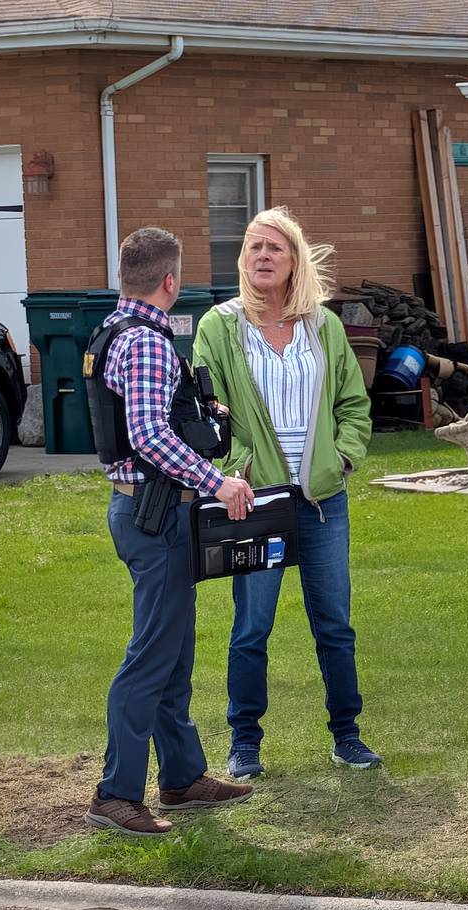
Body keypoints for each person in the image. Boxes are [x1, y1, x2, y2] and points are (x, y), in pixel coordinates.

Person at [83, 226, 256, 836]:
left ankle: (182, 777)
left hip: (142, 509)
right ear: (171, 281)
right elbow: (150, 436)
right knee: (151, 656)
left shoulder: (110, 333)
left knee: (172, 650)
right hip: (156, 514)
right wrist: (218, 482)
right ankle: (115, 793)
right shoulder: (149, 343)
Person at [194, 207, 376, 781]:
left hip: (322, 498)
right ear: (241, 259)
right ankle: (244, 743)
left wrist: (343, 457)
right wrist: (234, 469)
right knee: (252, 626)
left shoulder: (324, 327)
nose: (263, 256)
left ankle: (347, 735)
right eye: (253, 247)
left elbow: (353, 405)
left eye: (275, 247)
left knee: (335, 623)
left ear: (295, 258)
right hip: (255, 501)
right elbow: (207, 411)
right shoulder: (218, 327)